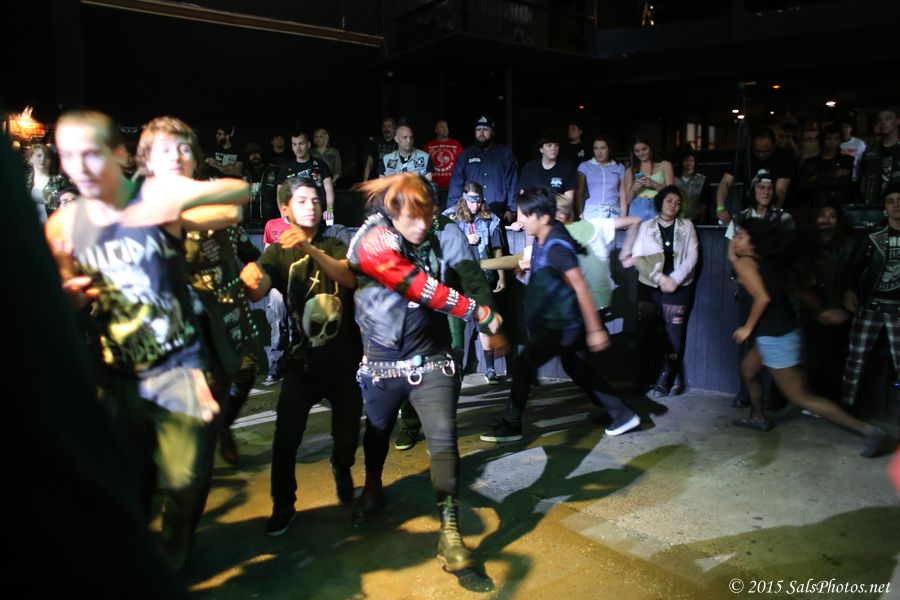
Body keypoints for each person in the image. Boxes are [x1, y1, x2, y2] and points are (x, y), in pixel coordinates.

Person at [46, 109, 249, 562]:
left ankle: (175, 549)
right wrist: (69, 299)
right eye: (67, 155)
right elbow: (61, 298)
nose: (79, 167)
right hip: (119, 373)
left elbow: (235, 201)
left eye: (91, 154)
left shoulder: (158, 202)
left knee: (185, 480)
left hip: (182, 364)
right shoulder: (63, 224)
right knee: (130, 483)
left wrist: (177, 193)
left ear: (118, 155)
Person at [348, 173, 504, 573]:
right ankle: (372, 486)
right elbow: (415, 284)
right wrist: (476, 312)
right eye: (413, 217)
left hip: (431, 354)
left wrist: (488, 318)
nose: (422, 225)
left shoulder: (443, 231)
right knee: (378, 431)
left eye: (429, 215)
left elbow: (470, 274)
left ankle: (450, 532)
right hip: (382, 359)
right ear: (393, 210)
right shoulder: (372, 238)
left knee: (443, 435)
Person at [135, 116, 260, 563]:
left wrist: (252, 268)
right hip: (151, 349)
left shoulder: (209, 195)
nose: (177, 156)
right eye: (165, 149)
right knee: (145, 453)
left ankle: (178, 541)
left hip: (213, 341)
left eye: (185, 148)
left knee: (196, 457)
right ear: (146, 160)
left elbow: (237, 230)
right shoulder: (129, 203)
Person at [241, 177, 363, 536]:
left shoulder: (337, 239)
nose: (311, 206)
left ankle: (341, 466)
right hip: (302, 364)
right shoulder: (277, 252)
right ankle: (283, 504)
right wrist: (251, 278)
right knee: (286, 439)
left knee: (346, 436)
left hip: (343, 361)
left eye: (315, 200)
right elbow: (259, 289)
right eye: (302, 201)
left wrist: (309, 248)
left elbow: (348, 279)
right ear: (285, 209)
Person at [480, 187, 641, 443]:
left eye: (525, 215)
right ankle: (621, 414)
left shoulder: (556, 245)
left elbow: (580, 286)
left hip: (563, 325)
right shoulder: (546, 234)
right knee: (577, 367)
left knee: (523, 364)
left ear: (543, 217)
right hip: (563, 321)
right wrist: (527, 268)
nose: (520, 220)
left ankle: (512, 425)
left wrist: (595, 329)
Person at [728, 219, 889, 458]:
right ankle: (758, 417)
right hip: (779, 333)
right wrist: (821, 311)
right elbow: (800, 292)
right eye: (736, 236)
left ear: (755, 243)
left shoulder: (745, 263)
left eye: (741, 237)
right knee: (748, 370)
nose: (735, 240)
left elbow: (762, 298)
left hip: (775, 337)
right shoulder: (767, 262)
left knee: (802, 398)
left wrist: (747, 328)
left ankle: (868, 431)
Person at [629, 185, 700, 396]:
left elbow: (692, 257)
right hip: (650, 285)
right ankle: (644, 378)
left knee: (674, 334)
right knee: (646, 333)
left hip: (679, 286)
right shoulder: (645, 227)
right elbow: (637, 258)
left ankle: (665, 380)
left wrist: (675, 280)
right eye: (669, 201)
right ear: (660, 202)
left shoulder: (687, 226)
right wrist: (660, 278)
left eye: (677, 203)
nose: (673, 205)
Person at [841, 183, 900, 409]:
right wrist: (848, 290)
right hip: (871, 305)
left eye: (899, 200)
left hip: (898, 307)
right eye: (890, 201)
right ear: (885, 206)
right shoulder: (873, 234)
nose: (896, 205)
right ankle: (847, 407)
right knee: (855, 359)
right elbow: (853, 266)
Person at [443, 182, 505, 383]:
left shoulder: (491, 219)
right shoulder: (449, 217)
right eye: (471, 201)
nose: (475, 205)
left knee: (486, 322)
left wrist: (501, 276)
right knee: (456, 326)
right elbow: (440, 245)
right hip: (456, 279)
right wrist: (463, 239)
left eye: (478, 201)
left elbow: (497, 249)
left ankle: (490, 369)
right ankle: (456, 369)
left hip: (482, 278)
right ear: (463, 198)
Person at [448, 115, 518, 222]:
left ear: (492, 132)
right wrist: (453, 210)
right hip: (470, 212)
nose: (481, 133)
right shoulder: (465, 155)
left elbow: (512, 183)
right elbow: (456, 184)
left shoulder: (505, 154)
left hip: (499, 212)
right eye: (478, 129)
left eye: (485, 129)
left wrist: (512, 209)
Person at [576, 135, 627, 219]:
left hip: (613, 211)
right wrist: (580, 215)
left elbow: (623, 195)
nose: (599, 152)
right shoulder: (584, 166)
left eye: (603, 148)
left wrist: (623, 217)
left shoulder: (619, 167)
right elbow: (579, 194)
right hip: (591, 212)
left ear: (609, 149)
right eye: (596, 148)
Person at [624, 137, 674, 222]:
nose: (641, 153)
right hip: (637, 210)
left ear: (650, 148)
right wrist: (634, 188)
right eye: (637, 151)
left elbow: (672, 193)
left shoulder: (665, 165)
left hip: (658, 208)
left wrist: (654, 184)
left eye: (644, 149)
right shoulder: (631, 170)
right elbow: (628, 201)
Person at [518, 132, 577, 202]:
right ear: (541, 149)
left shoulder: (567, 167)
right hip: (533, 207)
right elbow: (522, 197)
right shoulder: (529, 167)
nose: (554, 148)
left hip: (558, 208)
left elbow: (568, 201)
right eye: (549, 145)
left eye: (556, 145)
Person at [859, 107, 900, 205]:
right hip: (875, 204)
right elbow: (864, 180)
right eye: (880, 119)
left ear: (898, 120)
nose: (883, 123)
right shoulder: (871, 152)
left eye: (888, 118)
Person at [423, 119, 463, 191]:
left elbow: (462, 164)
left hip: (452, 186)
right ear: (436, 130)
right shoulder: (428, 146)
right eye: (442, 127)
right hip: (434, 187)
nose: (445, 129)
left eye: (446, 127)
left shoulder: (456, 144)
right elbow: (422, 165)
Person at [675, 150, 709, 223]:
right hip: (677, 217)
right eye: (686, 160)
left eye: (691, 160)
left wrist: (702, 218)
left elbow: (704, 201)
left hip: (695, 218)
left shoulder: (701, 179)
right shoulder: (674, 179)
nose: (689, 163)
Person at [362, 116, 398, 181]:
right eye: (384, 126)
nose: (386, 129)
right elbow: (369, 163)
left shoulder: (399, 143)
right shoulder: (375, 142)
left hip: (394, 181)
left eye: (389, 126)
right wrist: (365, 181)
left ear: (394, 129)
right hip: (376, 181)